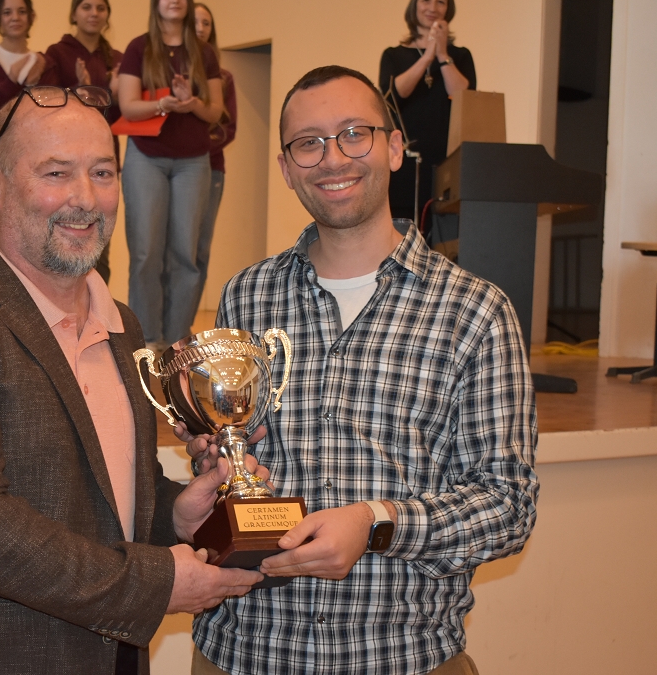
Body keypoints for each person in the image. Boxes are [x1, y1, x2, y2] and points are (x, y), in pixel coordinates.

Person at [0, 86, 265, 675]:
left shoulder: (122, 325)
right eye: (56, 173)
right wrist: (156, 583)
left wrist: (174, 515)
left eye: (102, 173)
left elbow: (101, 494)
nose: (85, 199)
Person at [184, 66, 538, 675]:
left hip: (402, 658)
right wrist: (214, 459)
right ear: (287, 167)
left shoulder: (476, 312)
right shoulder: (247, 295)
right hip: (245, 652)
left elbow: (508, 506)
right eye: (309, 143)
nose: (333, 158)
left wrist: (377, 523)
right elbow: (231, 457)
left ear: (394, 148)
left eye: (354, 134)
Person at [118, 0, 223, 351]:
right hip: (146, 157)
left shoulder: (204, 52)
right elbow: (128, 107)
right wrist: (162, 103)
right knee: (146, 252)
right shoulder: (139, 47)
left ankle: (178, 342)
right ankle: (147, 340)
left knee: (185, 254)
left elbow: (215, 111)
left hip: (193, 161)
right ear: (156, 2)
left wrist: (192, 103)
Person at [44, 0, 124, 283]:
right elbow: (47, 108)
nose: (94, 13)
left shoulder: (117, 59)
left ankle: (99, 305)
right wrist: (80, 90)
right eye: (87, 7)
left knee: (100, 242)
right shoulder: (57, 53)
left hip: (103, 159)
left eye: (101, 8)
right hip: (65, 159)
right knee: (64, 239)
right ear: (74, 14)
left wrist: (119, 95)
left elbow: (121, 117)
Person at [379, 0, 474, 223]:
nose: (433, 7)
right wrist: (427, 57)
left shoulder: (460, 56)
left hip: (446, 165)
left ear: (448, 9)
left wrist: (441, 54)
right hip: (405, 166)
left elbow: (464, 97)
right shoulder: (393, 55)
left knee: (443, 233)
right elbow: (395, 93)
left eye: (441, 1)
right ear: (415, 5)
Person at [0, 0, 50, 242]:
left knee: (33, 236)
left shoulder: (44, 63)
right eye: (7, 12)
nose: (15, 18)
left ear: (31, 16)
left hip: (34, 164)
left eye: (21, 11)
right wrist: (16, 82)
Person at [192, 2, 235, 306]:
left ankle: (186, 320)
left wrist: (195, 148)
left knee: (199, 249)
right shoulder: (167, 74)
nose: (200, 28)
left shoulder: (224, 77)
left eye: (206, 23)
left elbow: (228, 128)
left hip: (211, 168)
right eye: (194, 22)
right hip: (173, 169)